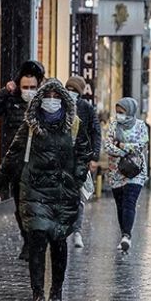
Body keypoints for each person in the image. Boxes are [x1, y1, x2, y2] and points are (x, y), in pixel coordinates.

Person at [0, 79, 90, 301]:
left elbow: (84, 152)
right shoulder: (30, 126)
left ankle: (56, 287)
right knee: (37, 239)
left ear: (64, 100)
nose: (52, 101)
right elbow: (13, 155)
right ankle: (37, 290)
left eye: (57, 97)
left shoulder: (74, 125)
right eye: (49, 96)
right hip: (35, 190)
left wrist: (76, 176)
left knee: (58, 241)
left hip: (63, 192)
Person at [0, 59, 45, 260]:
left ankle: (37, 241)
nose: (29, 91)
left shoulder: (45, 103)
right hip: (18, 163)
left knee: (37, 205)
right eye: (25, 87)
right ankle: (28, 241)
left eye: (33, 87)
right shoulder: (12, 100)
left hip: (40, 164)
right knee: (20, 207)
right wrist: (4, 91)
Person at [104, 98, 149, 252]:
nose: (119, 115)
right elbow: (108, 146)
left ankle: (126, 236)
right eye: (117, 112)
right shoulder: (113, 126)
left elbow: (141, 146)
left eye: (121, 112)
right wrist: (124, 150)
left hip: (135, 172)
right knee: (121, 205)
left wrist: (121, 145)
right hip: (115, 171)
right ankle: (124, 233)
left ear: (130, 111)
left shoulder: (141, 126)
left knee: (129, 201)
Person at [65, 76, 101, 249]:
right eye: (68, 90)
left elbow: (95, 132)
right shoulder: (59, 105)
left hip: (80, 158)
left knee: (79, 197)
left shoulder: (86, 108)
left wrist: (93, 157)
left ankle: (77, 230)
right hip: (62, 158)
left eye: (74, 91)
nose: (70, 94)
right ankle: (64, 229)